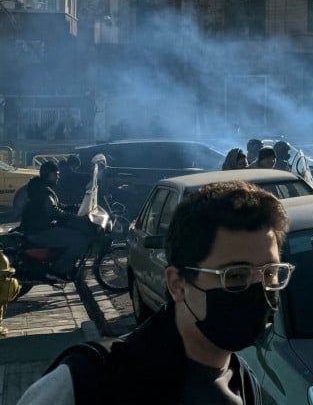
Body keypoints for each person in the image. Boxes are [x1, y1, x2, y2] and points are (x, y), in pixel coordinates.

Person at [17, 180, 293, 404]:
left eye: (270, 273)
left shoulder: (244, 383)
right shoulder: (90, 381)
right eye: (235, 276)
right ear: (177, 284)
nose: (259, 290)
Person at [18, 161, 93, 281]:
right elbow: (55, 212)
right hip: (40, 231)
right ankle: (58, 271)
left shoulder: (41, 187)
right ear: (49, 174)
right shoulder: (44, 192)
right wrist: (77, 218)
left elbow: (57, 206)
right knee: (78, 239)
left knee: (70, 233)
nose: (58, 176)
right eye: (56, 174)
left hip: (39, 228)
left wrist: (77, 207)